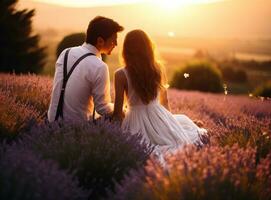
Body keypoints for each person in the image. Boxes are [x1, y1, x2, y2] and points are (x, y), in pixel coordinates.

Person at [113, 29, 207, 156]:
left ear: (126, 49)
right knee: (177, 137)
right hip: (158, 114)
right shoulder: (158, 68)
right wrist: (169, 124)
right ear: (148, 48)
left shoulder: (120, 74)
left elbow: (118, 114)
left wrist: (112, 136)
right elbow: (165, 101)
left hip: (135, 121)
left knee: (141, 148)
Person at [48, 16, 124, 122]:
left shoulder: (65, 53)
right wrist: (120, 108)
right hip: (77, 129)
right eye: (113, 40)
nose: (116, 44)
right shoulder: (100, 67)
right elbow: (103, 109)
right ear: (100, 41)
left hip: (52, 122)